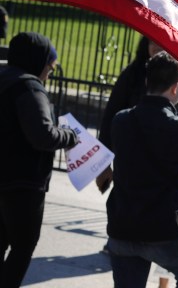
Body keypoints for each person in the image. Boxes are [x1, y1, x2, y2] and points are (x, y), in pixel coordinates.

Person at [105, 51, 178, 288]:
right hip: (166, 230)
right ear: (176, 87)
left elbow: (151, 139)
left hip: (123, 226)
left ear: (148, 82)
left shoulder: (121, 120)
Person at [0, 32, 78, 288]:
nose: (49, 73)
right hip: (22, 183)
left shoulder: (4, 79)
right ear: (37, 61)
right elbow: (43, 135)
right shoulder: (29, 87)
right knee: (23, 246)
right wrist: (70, 136)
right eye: (49, 67)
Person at [96, 36, 163, 193]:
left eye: (162, 41)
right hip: (129, 160)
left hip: (163, 167)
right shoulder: (132, 74)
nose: (157, 46)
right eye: (153, 41)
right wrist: (103, 164)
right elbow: (110, 118)